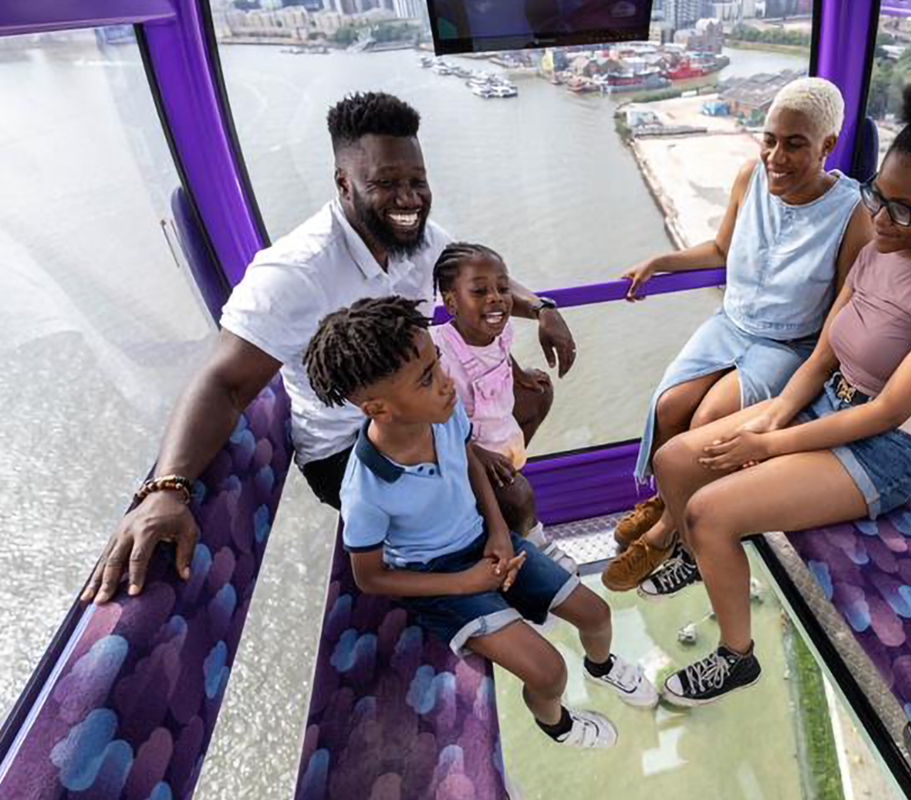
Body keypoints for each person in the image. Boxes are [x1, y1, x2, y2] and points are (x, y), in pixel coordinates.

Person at [82, 92, 576, 605]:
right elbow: (223, 384)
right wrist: (167, 486)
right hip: (347, 445)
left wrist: (541, 307)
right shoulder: (295, 272)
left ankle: (495, 529)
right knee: (506, 491)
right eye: (385, 183)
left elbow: (474, 277)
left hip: (416, 411)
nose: (409, 199)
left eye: (417, 182)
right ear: (344, 183)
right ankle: (502, 561)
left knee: (531, 399)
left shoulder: (418, 238)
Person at [648, 68, 911, 706]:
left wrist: (767, 445)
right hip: (826, 404)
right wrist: (775, 414)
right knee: (675, 456)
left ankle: (737, 657)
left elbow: (893, 408)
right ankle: (693, 554)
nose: (884, 220)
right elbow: (823, 352)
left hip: (888, 444)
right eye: (879, 197)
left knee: (711, 509)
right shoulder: (881, 244)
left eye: (905, 209)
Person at [304, 296, 656, 746]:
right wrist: (466, 583)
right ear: (377, 408)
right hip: (440, 579)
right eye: (428, 377)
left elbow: (468, 459)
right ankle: (557, 726)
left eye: (438, 362)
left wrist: (497, 532)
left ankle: (602, 666)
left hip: (483, 540)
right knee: (549, 673)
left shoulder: (443, 411)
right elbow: (370, 576)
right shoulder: (367, 489)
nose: (448, 381)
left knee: (597, 613)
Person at [602, 77, 873, 594]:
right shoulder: (750, 176)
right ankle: (668, 499)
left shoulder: (852, 212)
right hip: (731, 324)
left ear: (828, 146)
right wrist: (661, 261)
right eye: (770, 139)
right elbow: (722, 250)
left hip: (787, 345)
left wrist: (815, 375)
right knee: (668, 408)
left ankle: (664, 534)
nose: (776, 155)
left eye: (795, 144)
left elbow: (843, 309)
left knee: (708, 420)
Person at [429, 242, 576, 572]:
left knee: (541, 390)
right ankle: (534, 543)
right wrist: (476, 454)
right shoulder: (441, 352)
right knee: (520, 497)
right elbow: (435, 420)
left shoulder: (499, 328)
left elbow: (500, 351)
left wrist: (521, 374)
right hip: (464, 449)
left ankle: (499, 493)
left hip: (496, 427)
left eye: (503, 288)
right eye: (480, 291)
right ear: (451, 302)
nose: (495, 298)